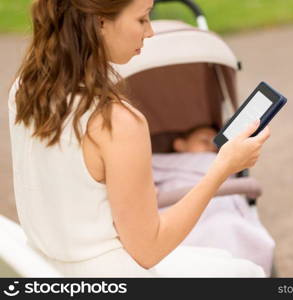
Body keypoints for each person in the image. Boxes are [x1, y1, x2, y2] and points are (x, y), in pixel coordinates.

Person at [8, 0, 271, 277]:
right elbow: (148, 249)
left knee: (222, 260)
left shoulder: (25, 89)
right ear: (99, 23)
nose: (150, 32)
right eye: (142, 19)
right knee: (247, 272)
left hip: (44, 268)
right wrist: (222, 168)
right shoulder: (116, 121)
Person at [152, 125, 276, 276]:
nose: (211, 146)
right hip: (176, 212)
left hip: (219, 210)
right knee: (224, 227)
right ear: (180, 144)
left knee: (228, 225)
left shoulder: (223, 162)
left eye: (216, 144)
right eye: (204, 140)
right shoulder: (157, 163)